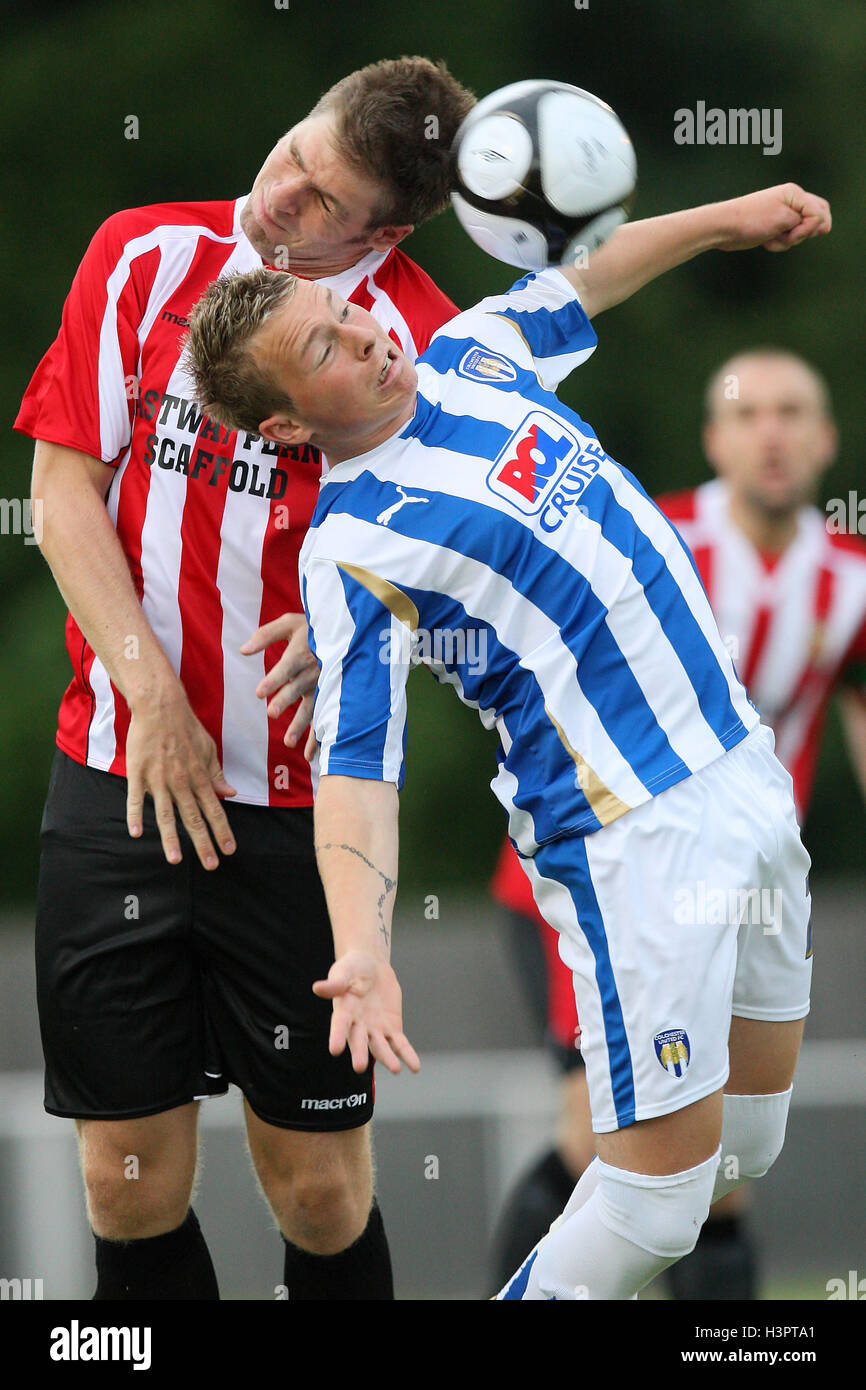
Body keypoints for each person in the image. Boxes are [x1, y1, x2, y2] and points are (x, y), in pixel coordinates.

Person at [185, 182, 830, 1300]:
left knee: (746, 1150)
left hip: (743, 776)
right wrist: (364, 950)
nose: (368, 338)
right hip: (634, 839)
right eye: (326, 350)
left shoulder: (468, 353)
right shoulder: (350, 549)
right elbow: (354, 774)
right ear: (286, 424)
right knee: (656, 1203)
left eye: (347, 315)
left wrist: (725, 217)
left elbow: (594, 271)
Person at [16, 55, 476, 1302]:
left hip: (299, 810)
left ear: (384, 231)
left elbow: (469, 555)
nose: (280, 198)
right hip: (119, 776)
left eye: (325, 203)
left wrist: (362, 619)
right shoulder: (138, 256)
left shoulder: (424, 349)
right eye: (292, 155)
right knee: (126, 1178)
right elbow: (61, 496)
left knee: (317, 1191)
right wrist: (151, 692)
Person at [489, 347, 866, 1298]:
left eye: (791, 412)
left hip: (743, 888)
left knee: (728, 1170)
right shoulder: (654, 537)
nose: (769, 433)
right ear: (714, 441)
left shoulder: (851, 580)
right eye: (747, 414)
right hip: (603, 881)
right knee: (608, 1144)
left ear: (825, 440)